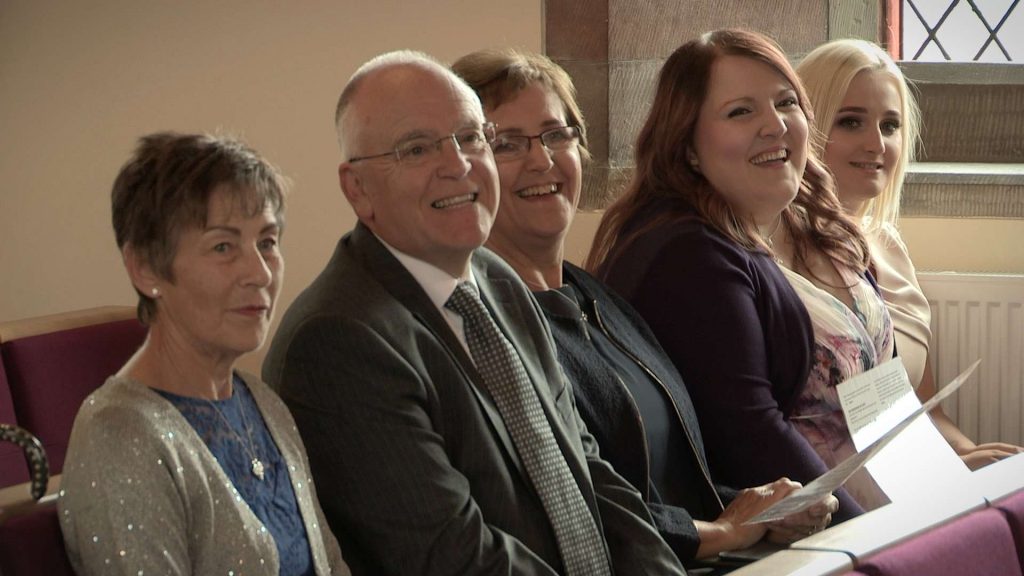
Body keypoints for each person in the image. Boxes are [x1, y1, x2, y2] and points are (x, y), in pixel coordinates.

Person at [262, 51, 686, 576]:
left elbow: (588, 470)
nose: (459, 166)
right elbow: (451, 557)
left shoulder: (496, 277)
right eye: (416, 149)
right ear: (358, 189)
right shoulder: (337, 341)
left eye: (470, 138)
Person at [451, 48, 839, 564]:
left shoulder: (595, 297)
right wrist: (717, 532)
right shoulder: (482, 323)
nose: (541, 160)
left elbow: (670, 479)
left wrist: (764, 511)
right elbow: (565, 504)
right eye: (507, 144)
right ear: (468, 168)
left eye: (556, 134)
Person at [587, 28, 893, 518]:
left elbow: (883, 390)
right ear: (687, 146)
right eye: (741, 111)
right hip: (817, 532)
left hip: (896, 493)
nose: (774, 125)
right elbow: (751, 440)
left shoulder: (811, 222)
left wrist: (946, 486)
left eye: (786, 102)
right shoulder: (689, 257)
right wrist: (883, 541)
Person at [58, 132, 349, 576]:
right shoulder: (119, 436)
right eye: (223, 247)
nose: (259, 272)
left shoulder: (262, 401)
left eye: (268, 242)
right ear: (146, 269)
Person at [797, 38, 1024, 470]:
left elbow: (927, 412)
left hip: (913, 474)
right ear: (809, 128)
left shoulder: (891, 247)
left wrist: (968, 454)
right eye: (850, 122)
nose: (876, 145)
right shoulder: (781, 257)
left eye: (889, 126)